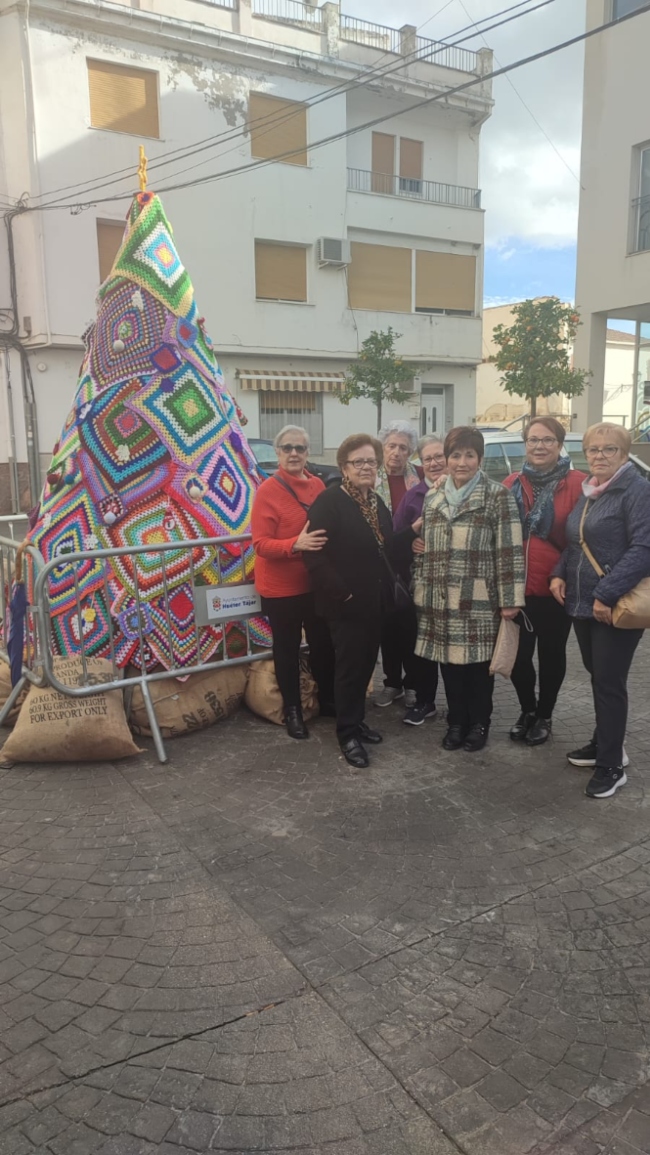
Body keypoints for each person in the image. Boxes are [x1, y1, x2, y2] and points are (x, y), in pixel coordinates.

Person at [550, 423, 650, 799]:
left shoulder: (637, 491)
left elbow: (643, 549)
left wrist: (605, 594)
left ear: (624, 454)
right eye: (593, 449)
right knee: (598, 677)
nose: (600, 456)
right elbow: (575, 541)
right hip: (583, 603)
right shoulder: (591, 490)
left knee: (609, 682)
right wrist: (558, 574)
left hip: (613, 605)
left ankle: (612, 765)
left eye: (610, 450)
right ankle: (604, 742)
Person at [414, 426, 525, 752]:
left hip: (479, 597)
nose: (461, 462)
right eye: (455, 455)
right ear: (447, 459)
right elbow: (426, 545)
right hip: (439, 598)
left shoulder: (496, 495)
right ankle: (456, 722)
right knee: (449, 666)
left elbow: (510, 550)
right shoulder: (434, 495)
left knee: (478, 668)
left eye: (469, 455)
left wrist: (510, 600)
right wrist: (420, 583)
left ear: (479, 457)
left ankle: (479, 723)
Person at [303, 434, 394, 769]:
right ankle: (347, 734)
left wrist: (413, 534)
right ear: (345, 467)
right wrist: (344, 593)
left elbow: (387, 544)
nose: (366, 467)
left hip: (374, 603)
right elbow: (314, 557)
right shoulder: (330, 502)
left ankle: (356, 721)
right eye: (359, 462)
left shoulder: (374, 502)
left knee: (366, 666)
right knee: (349, 670)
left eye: (371, 461)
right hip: (345, 605)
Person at [504, 417, 586, 746]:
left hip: (555, 587)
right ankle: (527, 709)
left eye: (548, 440)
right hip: (516, 589)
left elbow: (581, 538)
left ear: (559, 444)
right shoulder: (511, 482)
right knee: (518, 658)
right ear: (525, 444)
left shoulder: (579, 483)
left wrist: (562, 573)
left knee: (551, 655)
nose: (539, 446)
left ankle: (545, 715)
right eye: (533, 440)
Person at [251, 425, 335, 741]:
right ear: (278, 453)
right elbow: (260, 544)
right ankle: (293, 712)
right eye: (287, 448)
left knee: (322, 644)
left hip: (313, 584)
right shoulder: (267, 491)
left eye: (299, 448)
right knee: (286, 649)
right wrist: (294, 545)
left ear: (307, 452)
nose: (294, 453)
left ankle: (327, 700)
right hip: (281, 588)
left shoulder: (317, 487)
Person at [393, 435, 447, 726]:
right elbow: (395, 538)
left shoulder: (468, 493)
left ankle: (461, 707)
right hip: (423, 586)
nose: (435, 463)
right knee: (423, 647)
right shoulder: (413, 496)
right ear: (421, 464)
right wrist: (412, 539)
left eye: (440, 456)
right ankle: (426, 701)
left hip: (456, 588)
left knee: (453, 650)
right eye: (428, 459)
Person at [374, 420, 422, 708]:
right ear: (382, 447)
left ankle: (413, 684)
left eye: (403, 447)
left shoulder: (421, 478)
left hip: (413, 562)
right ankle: (392, 682)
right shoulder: (371, 476)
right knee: (388, 626)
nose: (396, 452)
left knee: (412, 626)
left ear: (411, 452)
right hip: (382, 563)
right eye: (391, 445)